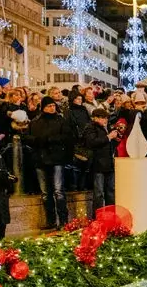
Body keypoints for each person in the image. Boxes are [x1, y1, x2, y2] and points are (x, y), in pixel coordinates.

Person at [28, 96, 75, 229]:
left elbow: (67, 137)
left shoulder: (60, 120)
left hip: (57, 158)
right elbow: (27, 137)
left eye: (53, 106)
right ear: (43, 107)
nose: (52, 108)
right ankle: (51, 220)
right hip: (40, 158)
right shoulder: (35, 122)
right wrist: (38, 141)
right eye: (49, 106)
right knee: (45, 193)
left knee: (58, 191)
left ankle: (63, 220)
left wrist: (50, 139)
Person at [83, 108, 118, 212]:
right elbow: (92, 142)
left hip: (109, 163)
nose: (105, 120)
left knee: (110, 191)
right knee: (99, 193)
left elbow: (109, 144)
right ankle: (98, 216)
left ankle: (111, 214)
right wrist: (108, 137)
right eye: (103, 118)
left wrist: (114, 138)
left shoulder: (106, 127)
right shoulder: (90, 127)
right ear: (95, 118)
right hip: (98, 164)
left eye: (106, 118)